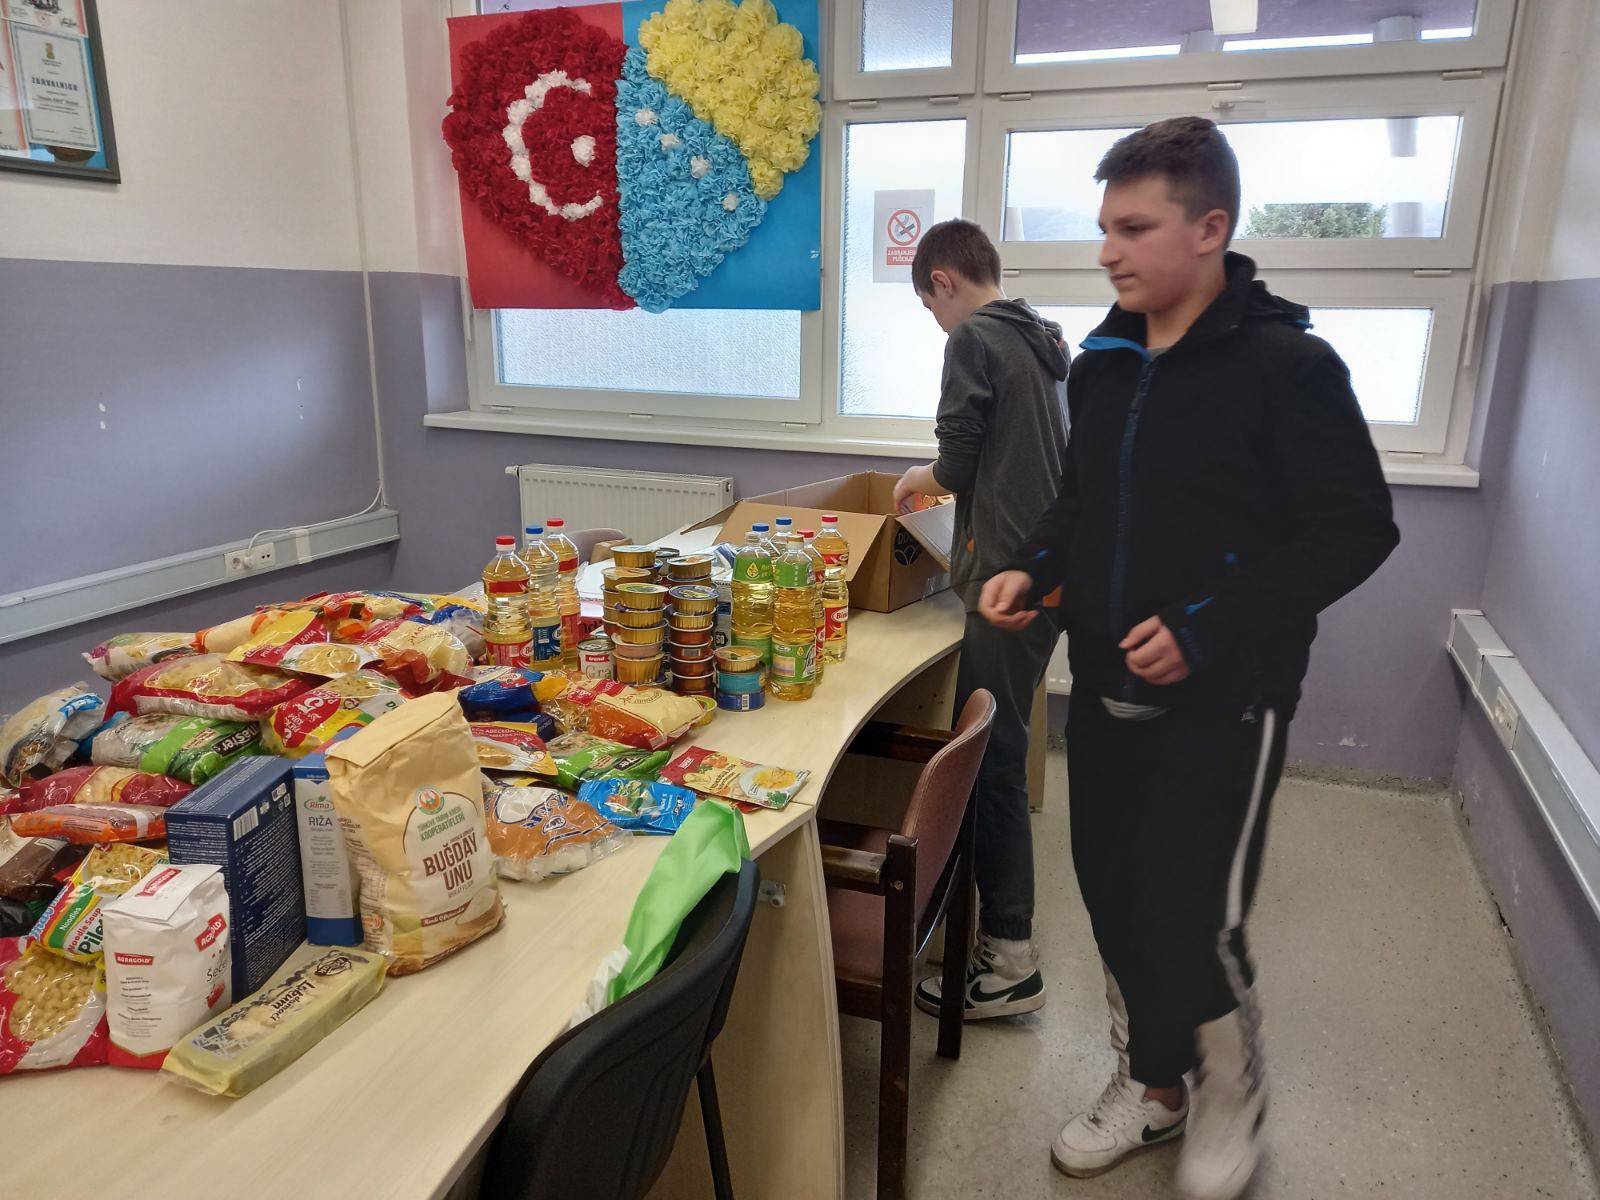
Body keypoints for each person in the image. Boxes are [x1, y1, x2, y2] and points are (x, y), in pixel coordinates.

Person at [979, 118, 1398, 1198]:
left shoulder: (1289, 366)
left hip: (1229, 698)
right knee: (1115, 898)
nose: (1107, 252)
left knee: (1195, 914)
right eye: (1104, 228)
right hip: (1104, 685)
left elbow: (1356, 529)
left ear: (1210, 228)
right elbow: (1081, 506)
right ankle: (1151, 1083)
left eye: (1134, 228)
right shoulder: (1105, 363)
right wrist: (1032, 566)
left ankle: (1227, 1091)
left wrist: (1210, 626)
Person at [892, 218, 1070, 1020]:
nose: (937, 323)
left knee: (990, 760)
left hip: (1007, 584)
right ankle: (996, 933)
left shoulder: (975, 340)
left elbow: (959, 465)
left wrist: (915, 477)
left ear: (943, 280)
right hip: (1048, 573)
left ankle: (1009, 960)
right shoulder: (1044, 339)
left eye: (930, 306)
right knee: (1002, 745)